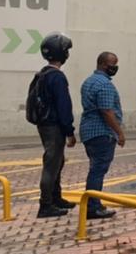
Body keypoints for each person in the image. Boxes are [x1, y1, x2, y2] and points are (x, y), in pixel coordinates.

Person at [30, 32, 76, 219]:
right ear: (61, 53)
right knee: (52, 164)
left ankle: (56, 197)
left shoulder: (42, 73)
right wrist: (69, 131)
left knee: (57, 161)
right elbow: (64, 106)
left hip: (43, 125)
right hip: (54, 126)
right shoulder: (57, 77)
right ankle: (46, 204)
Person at [80, 51, 126, 219]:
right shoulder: (105, 84)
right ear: (104, 64)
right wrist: (119, 133)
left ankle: (93, 203)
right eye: (113, 65)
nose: (115, 68)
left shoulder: (88, 81)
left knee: (95, 168)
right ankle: (93, 206)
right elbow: (107, 111)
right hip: (101, 133)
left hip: (88, 132)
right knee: (98, 170)